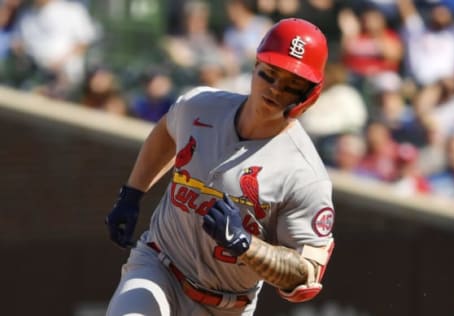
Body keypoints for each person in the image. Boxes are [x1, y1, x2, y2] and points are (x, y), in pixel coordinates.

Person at [105, 18, 335, 316]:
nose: (276, 89)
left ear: (309, 94)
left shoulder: (306, 175)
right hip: (159, 266)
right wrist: (132, 193)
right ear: (255, 67)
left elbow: (305, 274)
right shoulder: (201, 105)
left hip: (227, 305)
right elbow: (167, 130)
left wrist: (246, 245)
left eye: (292, 84)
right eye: (270, 74)